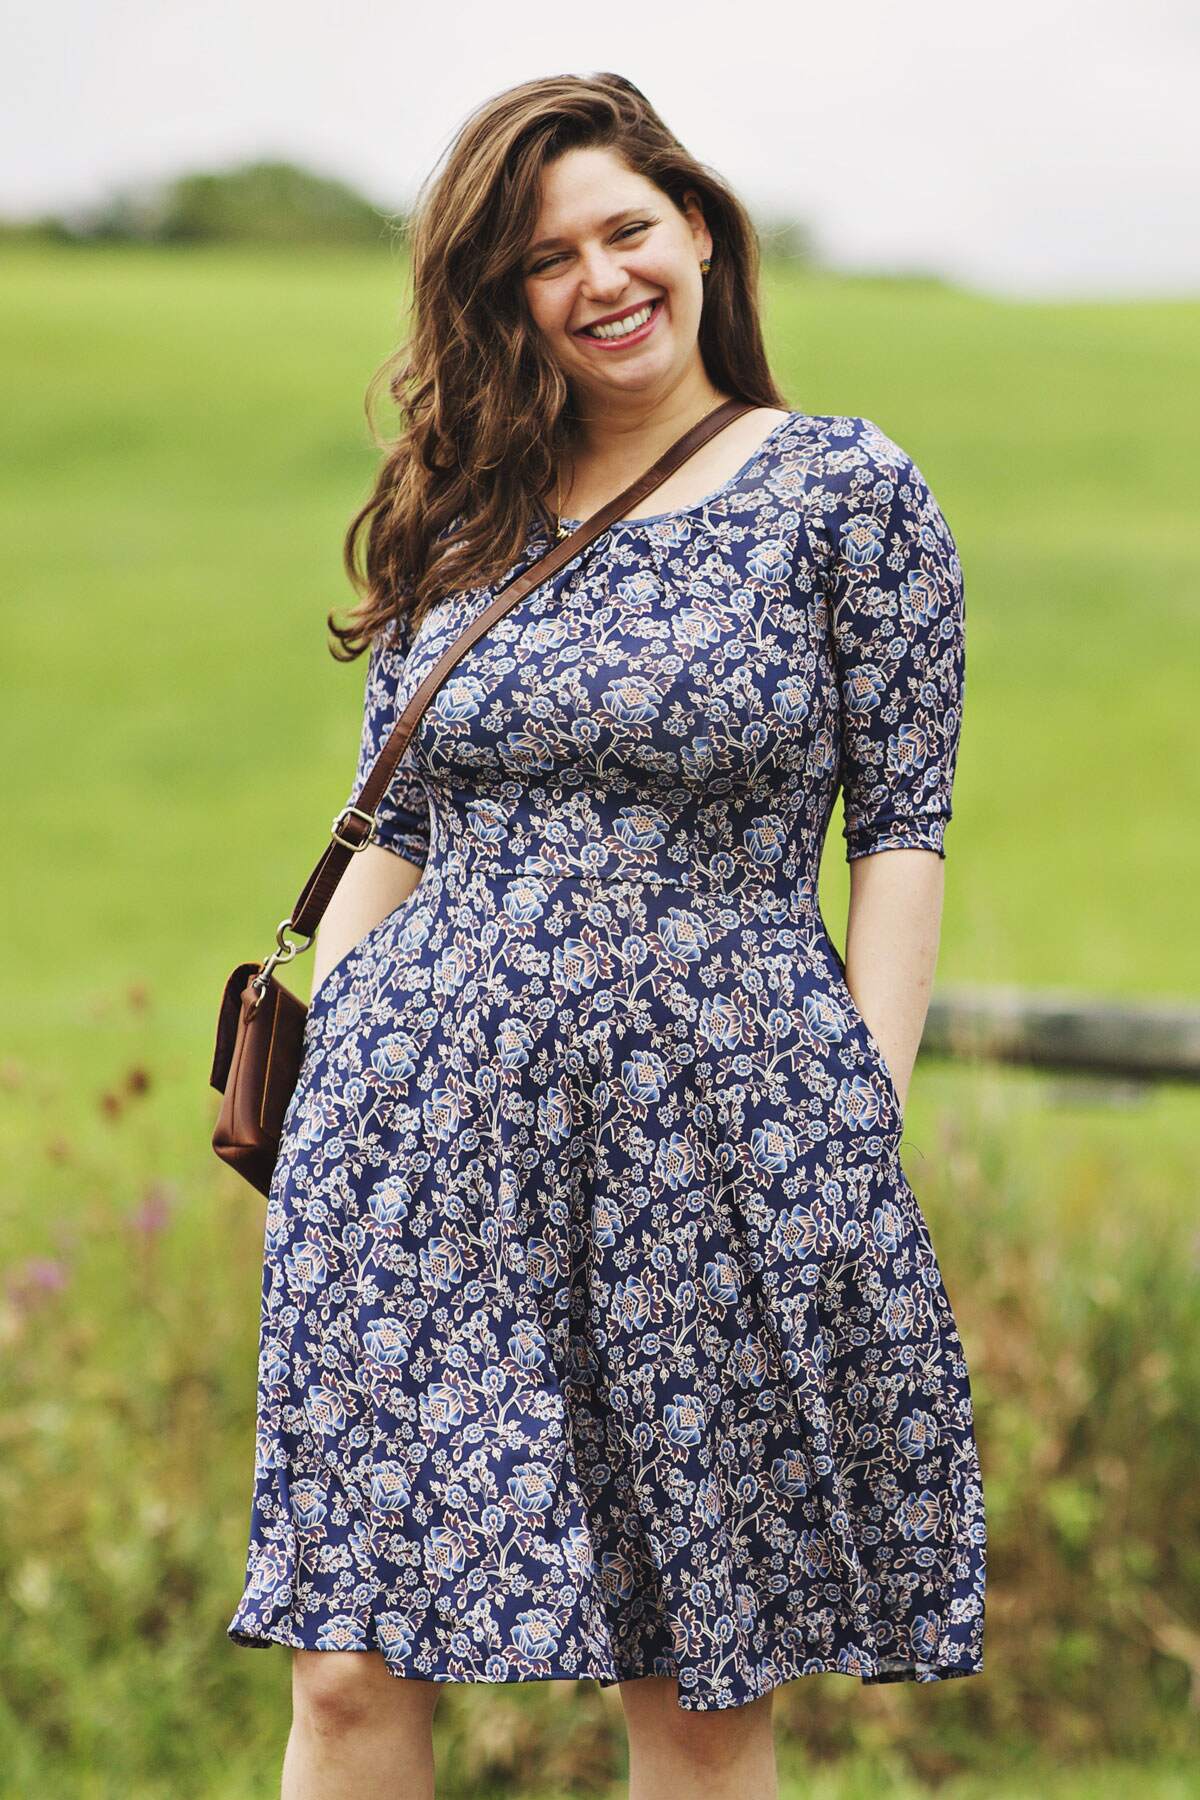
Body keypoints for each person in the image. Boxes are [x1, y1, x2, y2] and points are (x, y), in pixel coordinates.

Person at [227, 70, 985, 1800]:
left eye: (625, 230)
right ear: (502, 303)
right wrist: (352, 1084)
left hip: (718, 1141)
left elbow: (904, 837)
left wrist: (851, 1125)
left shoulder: (843, 494)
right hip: (419, 1144)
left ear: (699, 231)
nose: (599, 279)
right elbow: (390, 832)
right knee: (347, 1669)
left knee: (696, 1686)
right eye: (543, 260)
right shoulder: (468, 500)